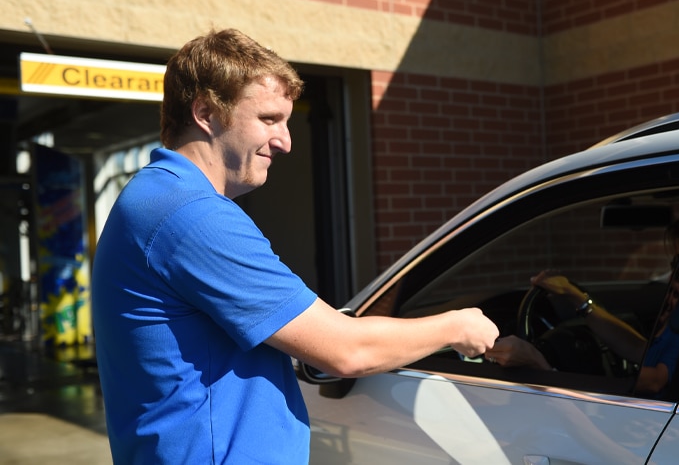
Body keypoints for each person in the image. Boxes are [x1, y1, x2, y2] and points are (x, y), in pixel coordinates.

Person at [91, 28, 498, 464]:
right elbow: (346, 351)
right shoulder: (192, 216)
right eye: (268, 119)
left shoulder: (154, 197)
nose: (285, 141)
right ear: (206, 112)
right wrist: (459, 327)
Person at [485, 216, 679, 396]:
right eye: (673, 265)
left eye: (678, 263)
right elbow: (639, 348)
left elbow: (656, 381)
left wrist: (540, 365)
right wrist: (575, 295)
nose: (672, 276)